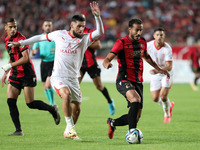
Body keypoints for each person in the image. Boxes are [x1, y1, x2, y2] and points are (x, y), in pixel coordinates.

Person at [9, 1, 104, 140]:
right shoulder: (59, 34)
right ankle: (70, 127)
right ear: (72, 25)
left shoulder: (84, 39)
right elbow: (40, 37)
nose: (82, 30)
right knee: (65, 95)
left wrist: (97, 16)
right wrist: (21, 43)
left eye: (83, 27)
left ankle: (69, 130)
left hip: (73, 78)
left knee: (77, 109)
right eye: (79, 26)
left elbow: (100, 32)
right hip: (58, 77)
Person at [103, 18, 169, 139]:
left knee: (135, 117)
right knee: (135, 99)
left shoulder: (142, 42)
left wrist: (159, 68)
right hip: (124, 79)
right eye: (136, 30)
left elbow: (147, 57)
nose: (139, 33)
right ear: (129, 29)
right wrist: (107, 63)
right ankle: (132, 132)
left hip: (138, 81)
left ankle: (113, 123)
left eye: (141, 30)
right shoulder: (121, 42)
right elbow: (107, 58)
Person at [1, 18, 60, 136]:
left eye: (15, 27)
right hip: (15, 74)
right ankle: (18, 130)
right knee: (10, 101)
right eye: (11, 27)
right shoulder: (7, 39)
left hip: (27, 74)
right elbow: (12, 56)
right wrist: (6, 73)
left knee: (30, 103)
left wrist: (10, 65)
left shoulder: (21, 39)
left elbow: (26, 58)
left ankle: (52, 109)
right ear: (5, 28)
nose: (13, 29)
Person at [79, 26, 115, 115]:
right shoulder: (73, 32)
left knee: (99, 86)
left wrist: (84, 42)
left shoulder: (90, 32)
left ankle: (110, 101)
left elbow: (98, 46)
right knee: (75, 85)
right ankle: (75, 106)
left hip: (91, 64)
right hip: (79, 64)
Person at [147, 27, 175, 123]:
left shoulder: (167, 49)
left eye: (161, 35)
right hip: (156, 73)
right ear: (154, 36)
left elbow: (169, 66)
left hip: (166, 73)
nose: (159, 37)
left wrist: (158, 70)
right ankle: (169, 104)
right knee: (155, 98)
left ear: (164, 37)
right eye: (157, 35)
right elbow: (140, 53)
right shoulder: (149, 45)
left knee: (163, 96)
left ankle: (167, 116)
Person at [32, 19, 57, 108]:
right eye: (46, 25)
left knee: (48, 84)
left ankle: (53, 103)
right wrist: (34, 52)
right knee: (45, 86)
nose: (47, 27)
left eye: (49, 25)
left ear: (52, 27)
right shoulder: (39, 38)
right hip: (44, 64)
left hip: (53, 64)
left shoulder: (55, 37)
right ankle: (51, 104)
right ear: (43, 27)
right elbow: (33, 50)